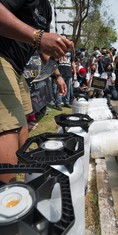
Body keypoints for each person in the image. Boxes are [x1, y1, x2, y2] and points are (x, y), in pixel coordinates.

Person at [0, 1, 73, 183]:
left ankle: (16, 183)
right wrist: (38, 36)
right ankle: (8, 199)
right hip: (2, 59)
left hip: (18, 68)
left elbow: (43, 50)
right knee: (10, 127)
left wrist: (57, 75)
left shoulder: (46, 9)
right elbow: (39, 39)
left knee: (23, 128)